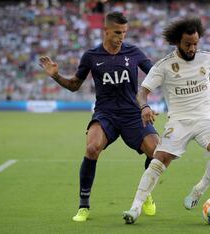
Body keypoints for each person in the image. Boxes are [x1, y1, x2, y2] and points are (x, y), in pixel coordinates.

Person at [39, 12, 159, 222]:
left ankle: (145, 192)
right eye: (117, 32)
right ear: (105, 31)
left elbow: (155, 74)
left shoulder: (134, 52)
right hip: (106, 113)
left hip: (132, 113)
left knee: (156, 151)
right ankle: (83, 206)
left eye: (124, 32)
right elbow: (75, 85)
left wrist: (146, 103)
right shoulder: (91, 56)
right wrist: (56, 76)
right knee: (92, 148)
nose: (121, 37)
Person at [122, 17, 210, 224]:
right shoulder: (164, 66)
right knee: (159, 159)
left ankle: (199, 190)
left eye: (195, 44)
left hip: (206, 118)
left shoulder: (207, 59)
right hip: (179, 121)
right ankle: (135, 208)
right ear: (177, 43)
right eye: (188, 44)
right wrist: (144, 107)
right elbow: (142, 92)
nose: (192, 48)